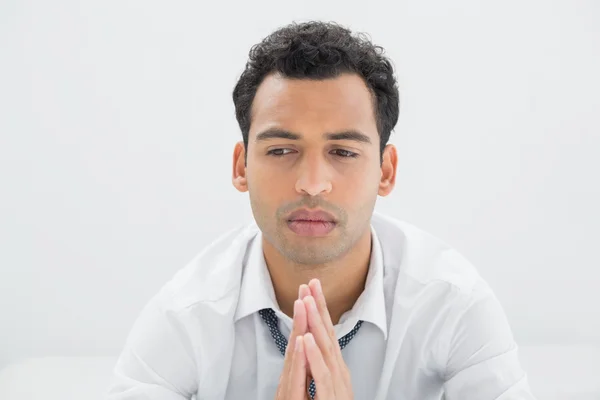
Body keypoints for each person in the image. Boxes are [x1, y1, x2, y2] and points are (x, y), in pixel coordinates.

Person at [107, 20, 536, 400]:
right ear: (241, 167)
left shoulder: (451, 303)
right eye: (280, 149)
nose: (312, 182)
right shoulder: (186, 316)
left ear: (385, 172)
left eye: (343, 152)